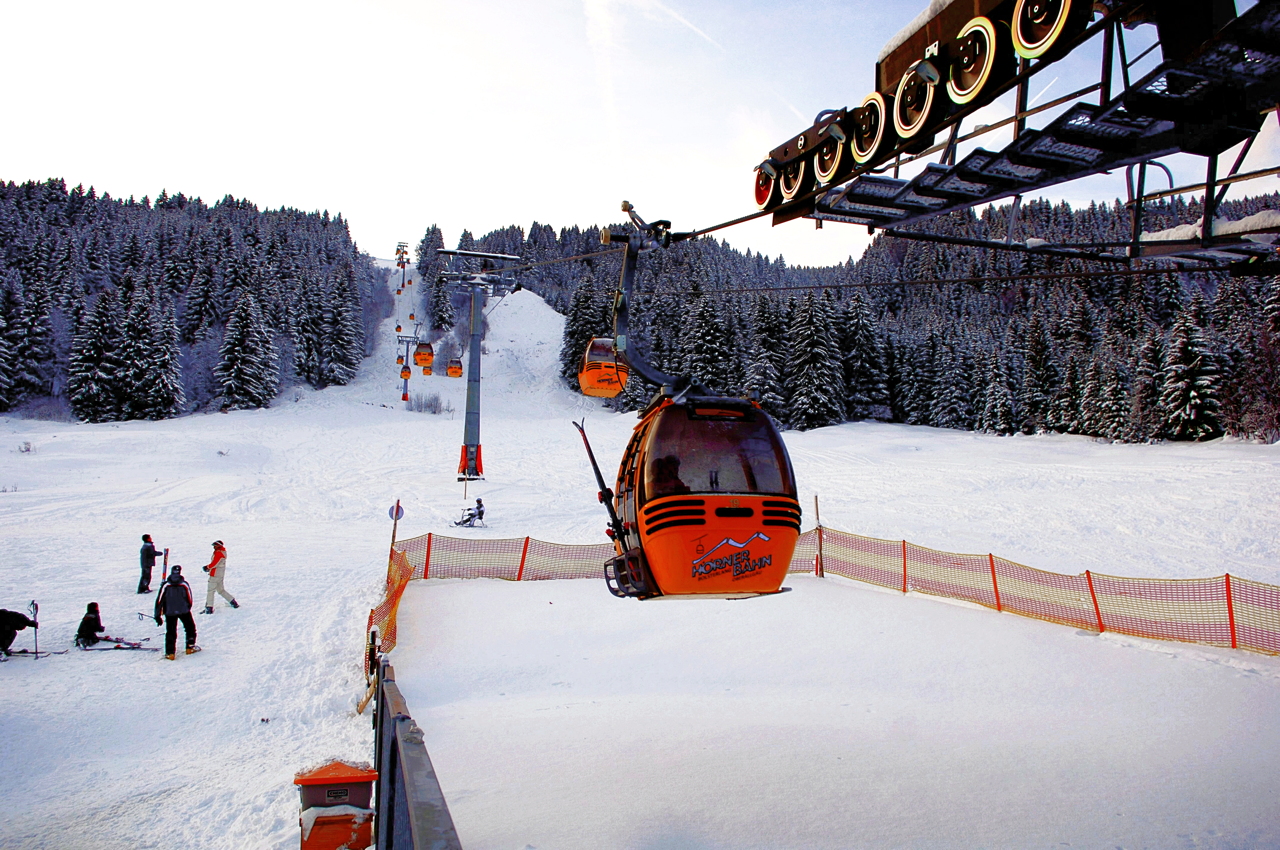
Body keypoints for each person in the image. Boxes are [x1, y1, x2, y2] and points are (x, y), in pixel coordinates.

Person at [154, 566, 198, 660]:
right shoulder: (184, 584)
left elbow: (159, 600)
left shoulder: (166, 585)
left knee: (171, 631)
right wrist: (187, 608)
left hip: (170, 612)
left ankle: (170, 653)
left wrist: (157, 615)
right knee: (190, 628)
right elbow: (189, 598)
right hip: (183, 610)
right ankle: (190, 646)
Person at [201, 540, 238, 614]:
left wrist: (207, 567)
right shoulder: (222, 552)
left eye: (215, 545)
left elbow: (214, 564)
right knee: (221, 590)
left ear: (218, 546)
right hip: (220, 575)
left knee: (210, 591)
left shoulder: (218, 553)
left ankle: (209, 607)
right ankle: (232, 601)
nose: (214, 547)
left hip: (215, 575)